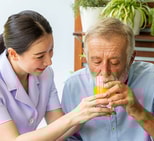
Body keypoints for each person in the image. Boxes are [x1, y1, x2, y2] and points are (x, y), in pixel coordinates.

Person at [61, 17, 154, 141]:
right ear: (86, 57)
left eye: (114, 62)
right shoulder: (73, 86)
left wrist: (139, 112)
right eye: (96, 62)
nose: (104, 71)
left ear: (131, 58)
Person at [0, 10, 114, 141]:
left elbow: (58, 130)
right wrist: (75, 115)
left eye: (51, 50)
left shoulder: (45, 74)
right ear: (13, 54)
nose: (49, 62)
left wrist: (88, 112)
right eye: (40, 56)